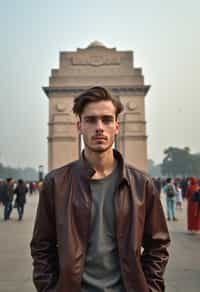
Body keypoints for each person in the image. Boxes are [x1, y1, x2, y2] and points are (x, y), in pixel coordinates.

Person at [30, 86, 170, 292]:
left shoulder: (142, 184)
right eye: (90, 120)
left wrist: (151, 288)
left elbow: (157, 245)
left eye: (106, 119)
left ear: (117, 126)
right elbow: (42, 247)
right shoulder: (55, 183)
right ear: (79, 126)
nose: (99, 127)